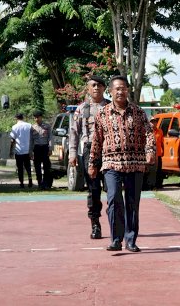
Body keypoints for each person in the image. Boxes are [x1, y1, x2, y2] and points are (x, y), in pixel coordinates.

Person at [90, 76, 155, 252]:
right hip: (111, 164)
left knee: (132, 203)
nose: (120, 91)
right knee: (114, 199)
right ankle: (116, 240)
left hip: (135, 164)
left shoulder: (139, 112)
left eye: (123, 88)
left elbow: (149, 134)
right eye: (117, 89)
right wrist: (92, 163)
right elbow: (96, 140)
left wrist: (150, 152)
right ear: (110, 92)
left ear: (128, 90)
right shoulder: (102, 114)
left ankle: (131, 240)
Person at [69, 76, 110, 239]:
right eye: (93, 85)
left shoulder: (110, 106)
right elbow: (74, 133)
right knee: (93, 190)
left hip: (109, 151)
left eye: (100, 85)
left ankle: (115, 221)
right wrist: (72, 153)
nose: (96, 88)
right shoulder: (82, 109)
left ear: (104, 88)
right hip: (89, 150)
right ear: (88, 88)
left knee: (112, 189)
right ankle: (95, 224)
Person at [9, 112, 33, 189]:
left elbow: (12, 140)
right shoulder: (29, 125)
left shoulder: (15, 127)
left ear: (16, 118)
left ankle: (21, 183)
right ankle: (30, 180)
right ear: (23, 117)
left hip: (19, 151)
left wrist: (11, 150)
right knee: (28, 166)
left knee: (20, 168)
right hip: (27, 150)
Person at [31, 110, 53, 190]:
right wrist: (30, 151)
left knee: (46, 167)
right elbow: (31, 140)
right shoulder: (32, 127)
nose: (36, 119)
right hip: (36, 148)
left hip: (45, 147)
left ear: (41, 117)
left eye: (38, 117)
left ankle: (46, 183)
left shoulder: (47, 126)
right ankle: (40, 183)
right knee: (37, 167)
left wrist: (50, 148)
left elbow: (50, 138)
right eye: (35, 118)